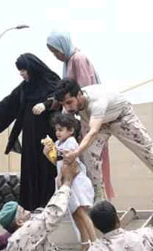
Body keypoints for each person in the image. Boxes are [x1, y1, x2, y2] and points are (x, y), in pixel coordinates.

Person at [0, 53, 60, 211]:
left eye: (23, 70)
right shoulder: (25, 87)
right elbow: (9, 102)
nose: (21, 74)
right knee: (30, 171)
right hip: (30, 139)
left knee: (48, 169)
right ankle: (31, 207)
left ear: (31, 68)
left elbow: (59, 98)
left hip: (48, 137)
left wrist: (45, 104)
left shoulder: (51, 79)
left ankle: (50, 207)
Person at [53, 79, 153, 193]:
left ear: (79, 94)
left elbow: (93, 132)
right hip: (97, 123)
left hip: (121, 117)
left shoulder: (96, 102)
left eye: (69, 103)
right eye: (64, 104)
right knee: (89, 158)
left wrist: (75, 153)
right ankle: (98, 203)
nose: (67, 107)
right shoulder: (68, 108)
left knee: (149, 155)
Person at [44, 31, 115, 200]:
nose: (56, 56)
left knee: (93, 160)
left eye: (56, 51)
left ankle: (99, 202)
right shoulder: (69, 61)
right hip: (83, 118)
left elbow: (83, 92)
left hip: (89, 117)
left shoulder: (78, 59)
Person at [42, 113, 96, 251]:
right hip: (68, 182)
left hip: (76, 182)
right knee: (76, 214)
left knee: (82, 214)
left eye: (61, 129)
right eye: (56, 130)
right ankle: (85, 243)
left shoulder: (71, 142)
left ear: (70, 130)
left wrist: (60, 177)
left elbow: (68, 162)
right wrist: (47, 153)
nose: (57, 132)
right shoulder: (59, 143)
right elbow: (57, 162)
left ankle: (94, 242)